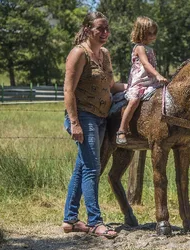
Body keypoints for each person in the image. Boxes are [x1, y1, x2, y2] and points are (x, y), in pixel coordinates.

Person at [62, 11, 126, 239]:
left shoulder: (104, 54)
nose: (105, 33)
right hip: (84, 117)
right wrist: (74, 123)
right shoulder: (79, 53)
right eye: (100, 28)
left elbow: (111, 85)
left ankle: (70, 219)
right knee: (92, 168)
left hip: (101, 117)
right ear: (88, 29)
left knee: (82, 167)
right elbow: (68, 90)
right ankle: (95, 222)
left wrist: (135, 87)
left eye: (107, 29)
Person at [116, 16, 168, 145]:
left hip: (151, 83)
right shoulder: (139, 48)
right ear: (141, 32)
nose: (152, 36)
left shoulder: (150, 49)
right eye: (149, 33)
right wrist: (158, 75)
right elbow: (145, 64)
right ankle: (122, 129)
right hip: (140, 83)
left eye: (154, 33)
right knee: (134, 100)